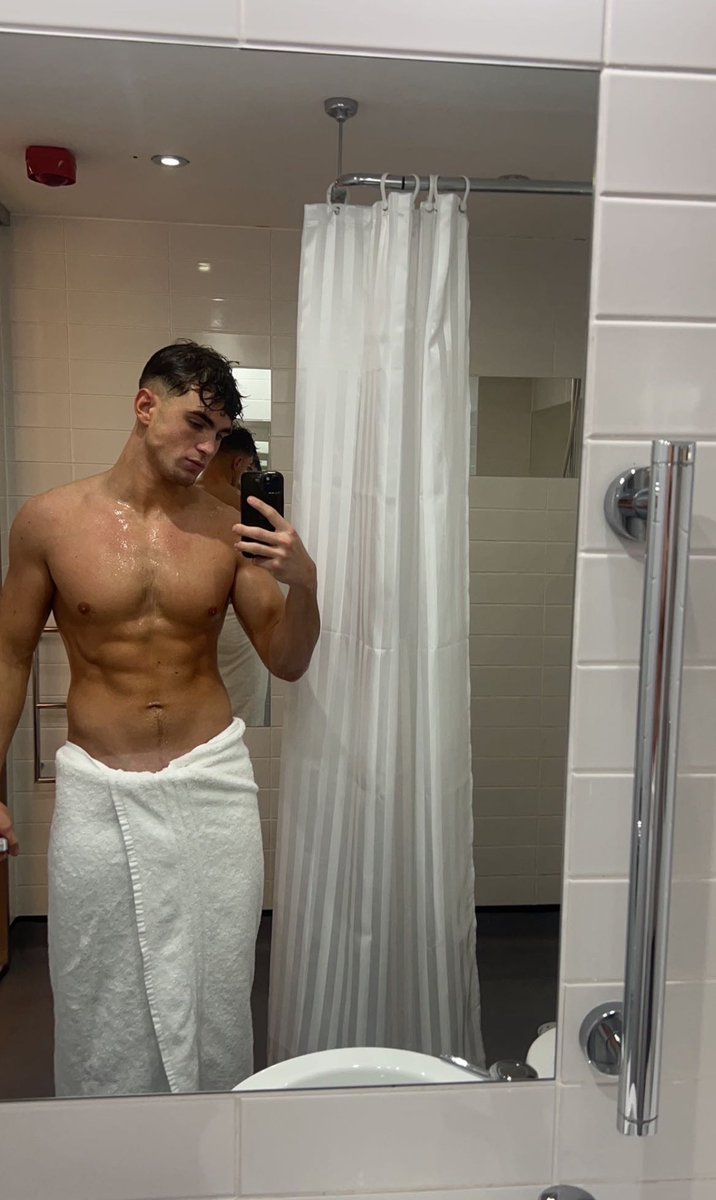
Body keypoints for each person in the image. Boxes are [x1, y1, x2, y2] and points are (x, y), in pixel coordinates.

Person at [0, 340, 319, 1097]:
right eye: (197, 423)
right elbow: (10, 656)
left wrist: (305, 583)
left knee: (217, 978)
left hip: (211, 788)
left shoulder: (228, 529)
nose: (208, 447)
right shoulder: (48, 522)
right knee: (95, 982)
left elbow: (287, 659)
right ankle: (111, 1135)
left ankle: (207, 1134)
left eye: (220, 433)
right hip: (99, 792)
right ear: (147, 407)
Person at [198, 426, 270, 726]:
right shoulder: (246, 508)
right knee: (242, 711)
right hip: (236, 619)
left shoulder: (182, 500)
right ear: (239, 463)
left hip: (197, 618)